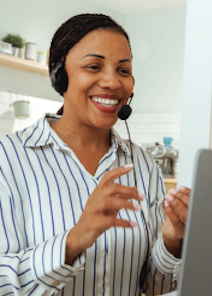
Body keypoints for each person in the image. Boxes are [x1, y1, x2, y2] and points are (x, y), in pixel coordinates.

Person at [0, 14, 189, 295]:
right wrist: (73, 241)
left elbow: (154, 286)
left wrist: (173, 240)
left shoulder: (143, 164)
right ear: (58, 74)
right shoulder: (8, 159)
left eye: (123, 70)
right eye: (93, 66)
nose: (112, 82)